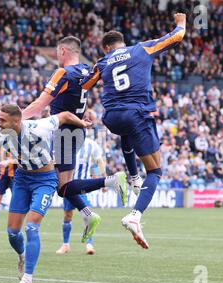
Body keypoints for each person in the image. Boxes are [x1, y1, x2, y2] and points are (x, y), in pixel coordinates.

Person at [81, 13, 187, 249]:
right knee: (157, 171)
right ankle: (135, 215)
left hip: (111, 117)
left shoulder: (104, 60)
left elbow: (86, 85)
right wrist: (181, 21)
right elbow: (178, 35)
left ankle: (133, 176)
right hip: (137, 112)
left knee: (125, 133)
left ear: (107, 47)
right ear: (121, 42)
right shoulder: (141, 49)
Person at [22, 36, 127, 243]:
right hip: (76, 131)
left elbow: (39, 105)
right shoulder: (87, 70)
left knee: (63, 187)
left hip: (64, 131)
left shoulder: (63, 73)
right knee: (64, 185)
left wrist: (17, 118)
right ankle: (88, 214)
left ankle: (111, 181)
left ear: (62, 51)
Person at [0, 104, 92, 283]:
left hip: (45, 180)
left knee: (31, 227)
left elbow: (66, 114)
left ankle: (28, 280)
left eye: (2, 120)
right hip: (21, 179)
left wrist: (82, 124)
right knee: (12, 233)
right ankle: (22, 255)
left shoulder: (40, 127)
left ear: (17, 121)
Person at [56, 136, 107, 255]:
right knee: (68, 215)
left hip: (82, 186)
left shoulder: (91, 145)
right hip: (68, 185)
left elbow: (99, 161)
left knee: (87, 214)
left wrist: (103, 177)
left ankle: (89, 244)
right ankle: (65, 245)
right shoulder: (66, 143)